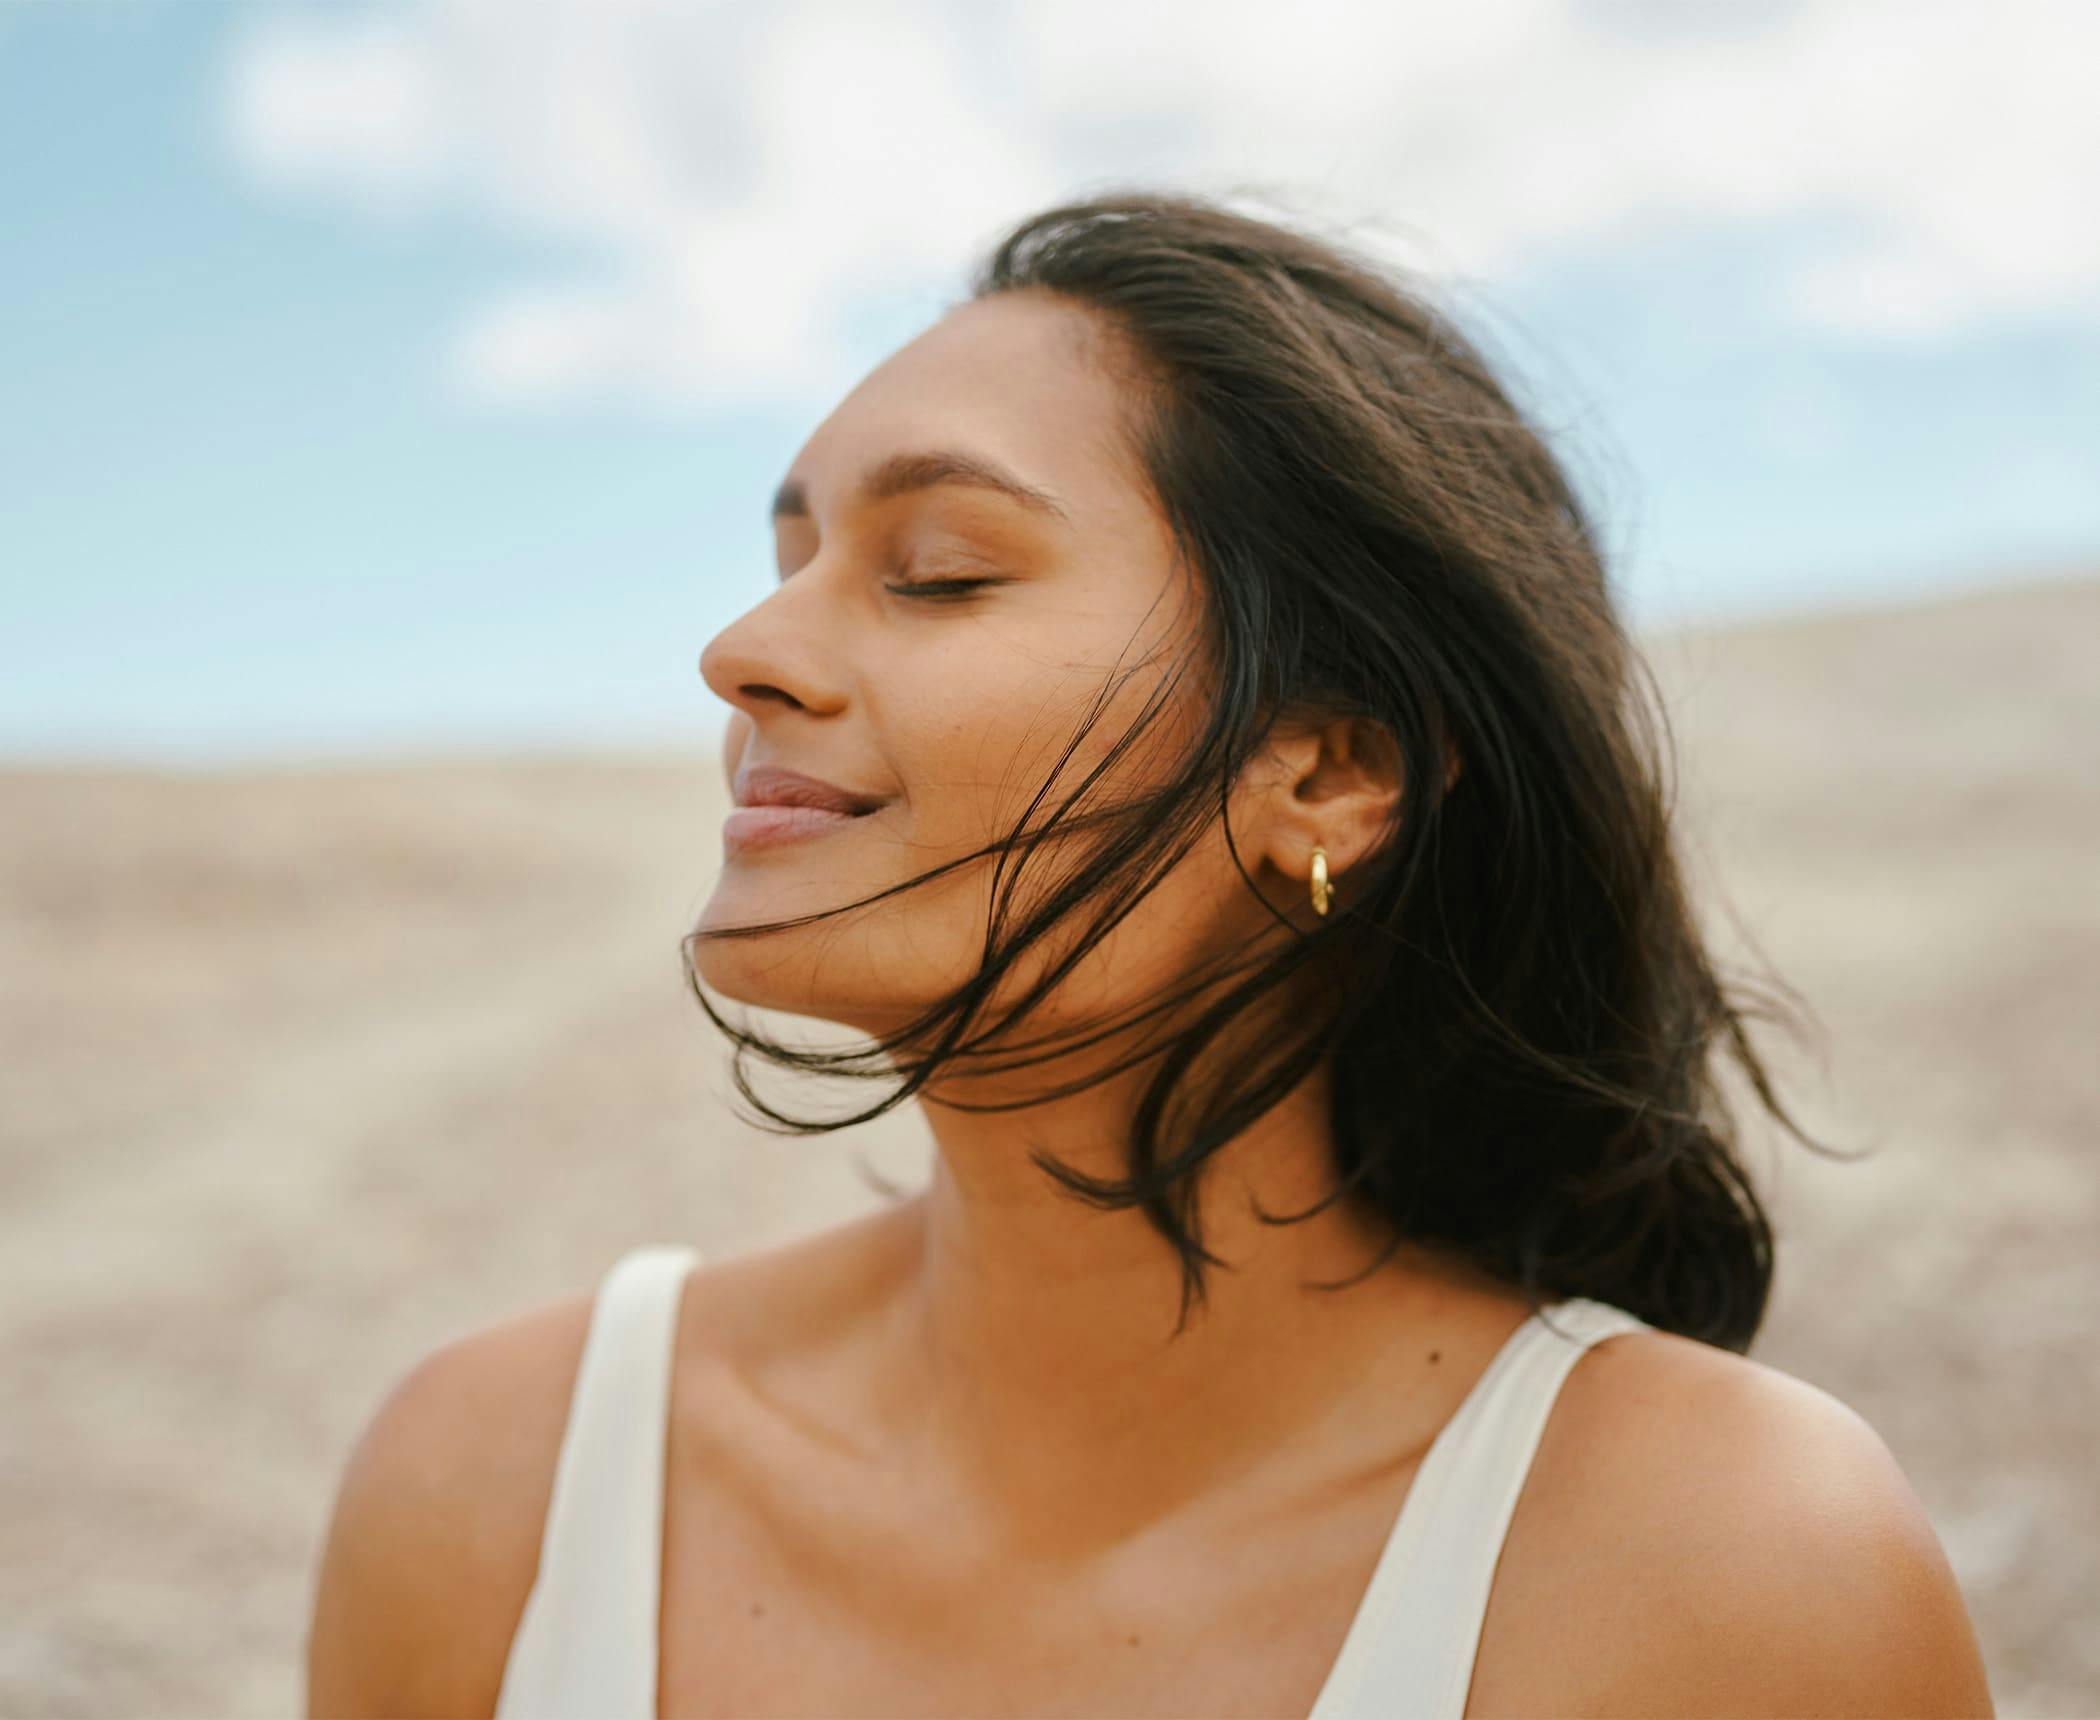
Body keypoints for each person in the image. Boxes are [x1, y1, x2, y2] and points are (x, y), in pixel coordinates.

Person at [305, 190, 1994, 1718]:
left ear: (1328, 771)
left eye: (941, 574)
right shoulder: (499, 1478)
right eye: (790, 562)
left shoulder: (1732, 1570)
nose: (743, 652)